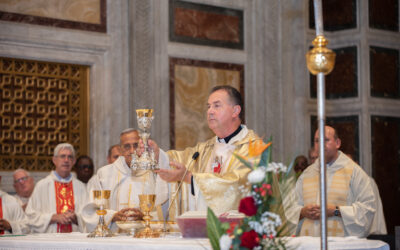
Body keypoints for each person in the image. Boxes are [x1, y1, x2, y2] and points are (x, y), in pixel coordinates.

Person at [152, 85, 261, 217]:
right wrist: (157, 154)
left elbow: (238, 183)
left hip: (237, 232)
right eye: (208, 106)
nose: (210, 111)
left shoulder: (254, 148)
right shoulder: (205, 149)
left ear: (235, 111)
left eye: (216, 106)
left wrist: (189, 178)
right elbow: (180, 159)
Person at [294, 126, 376, 237]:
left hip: (341, 245)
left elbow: (367, 209)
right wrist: (302, 212)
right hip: (310, 244)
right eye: (317, 141)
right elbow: (290, 209)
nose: (321, 144)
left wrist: (336, 211)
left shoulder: (354, 172)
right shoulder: (306, 174)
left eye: (326, 140)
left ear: (337, 143)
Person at [82, 129, 168, 233]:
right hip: (113, 240)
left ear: (142, 146)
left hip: (143, 240)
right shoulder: (104, 174)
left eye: (135, 145)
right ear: (120, 149)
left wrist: (144, 216)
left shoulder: (153, 173)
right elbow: (89, 211)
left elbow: (164, 208)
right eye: (127, 146)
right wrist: (113, 216)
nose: (132, 151)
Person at [25, 143, 88, 233]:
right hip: (50, 241)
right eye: (62, 156)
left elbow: (89, 216)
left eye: (70, 157)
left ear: (74, 162)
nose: (66, 160)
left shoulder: (81, 187)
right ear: (54, 160)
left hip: (75, 241)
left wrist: (76, 218)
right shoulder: (42, 186)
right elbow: (30, 217)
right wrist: (53, 217)